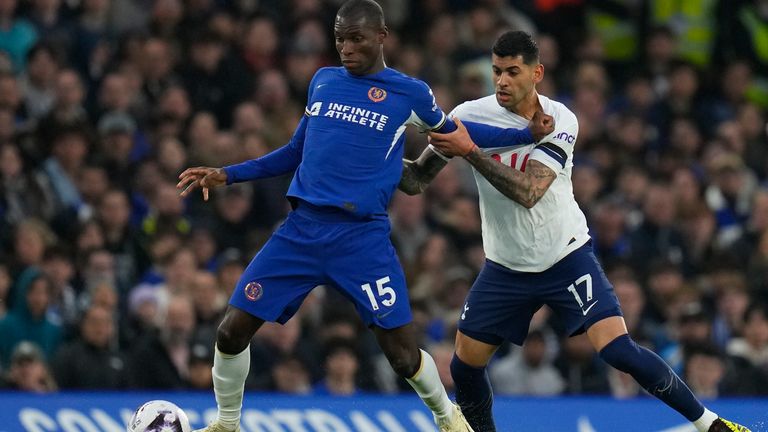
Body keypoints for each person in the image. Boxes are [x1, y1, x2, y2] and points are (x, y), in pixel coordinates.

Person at [176, 2, 553, 432]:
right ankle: (227, 424)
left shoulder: (409, 93)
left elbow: (458, 135)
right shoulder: (323, 81)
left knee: (402, 356)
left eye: (356, 38)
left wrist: (525, 134)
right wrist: (228, 173)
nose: (346, 48)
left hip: (361, 239)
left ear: (381, 36)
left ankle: (448, 416)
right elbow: (295, 151)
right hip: (301, 231)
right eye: (339, 39)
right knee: (229, 332)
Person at [400, 30, 751, 432]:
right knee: (464, 368)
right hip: (506, 267)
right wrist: (367, 152)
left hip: (565, 256)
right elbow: (416, 180)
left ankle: (712, 425)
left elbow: (529, 192)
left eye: (513, 71)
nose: (501, 81)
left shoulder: (560, 119)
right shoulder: (469, 116)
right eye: (497, 71)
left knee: (618, 349)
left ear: (537, 73)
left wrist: (470, 151)